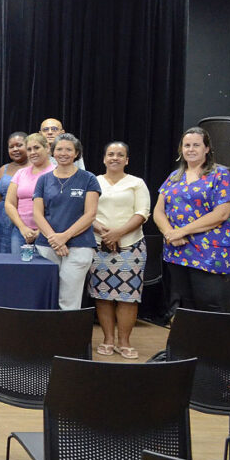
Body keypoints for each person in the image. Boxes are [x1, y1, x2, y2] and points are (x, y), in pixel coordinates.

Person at [153, 126, 230, 313]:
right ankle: (186, 335)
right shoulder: (174, 177)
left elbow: (221, 214)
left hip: (209, 251)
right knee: (185, 306)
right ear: (181, 149)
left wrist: (181, 231)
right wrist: (170, 233)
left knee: (209, 304)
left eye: (196, 145)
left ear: (207, 149)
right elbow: (158, 211)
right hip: (177, 248)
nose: (191, 149)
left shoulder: (220, 175)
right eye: (187, 145)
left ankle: (212, 335)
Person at [89, 141, 151, 358]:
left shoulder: (137, 183)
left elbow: (142, 213)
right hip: (99, 244)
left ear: (127, 160)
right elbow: (87, 212)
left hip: (131, 246)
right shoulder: (93, 181)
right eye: (110, 154)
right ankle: (107, 339)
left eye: (120, 154)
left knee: (128, 296)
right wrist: (105, 232)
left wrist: (118, 233)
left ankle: (124, 342)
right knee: (103, 295)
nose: (114, 158)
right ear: (104, 159)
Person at [32, 133, 100, 311]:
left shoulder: (88, 179)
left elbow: (90, 214)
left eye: (69, 149)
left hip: (79, 246)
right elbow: (37, 214)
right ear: (52, 152)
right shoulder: (43, 179)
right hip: (47, 246)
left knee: (68, 300)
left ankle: (67, 331)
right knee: (46, 296)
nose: (63, 153)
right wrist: (54, 239)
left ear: (76, 153)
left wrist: (64, 237)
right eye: (59, 149)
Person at [4, 133, 55, 255]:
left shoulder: (56, 173)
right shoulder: (20, 173)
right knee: (19, 266)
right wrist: (22, 228)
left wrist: (40, 231)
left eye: (36, 148)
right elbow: (9, 203)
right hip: (21, 232)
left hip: (48, 232)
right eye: (29, 149)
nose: (33, 152)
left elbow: (59, 207)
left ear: (47, 148)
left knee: (45, 267)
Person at [0, 131, 28, 253]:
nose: (15, 149)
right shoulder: (3, 169)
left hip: (25, 219)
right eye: (11, 147)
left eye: (19, 145)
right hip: (2, 220)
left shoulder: (35, 168)